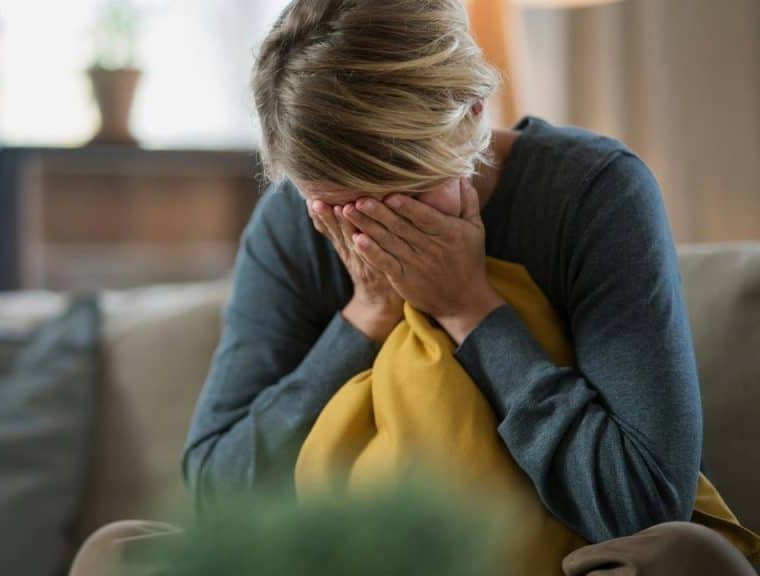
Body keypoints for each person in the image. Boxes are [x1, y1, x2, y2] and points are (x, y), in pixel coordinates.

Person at [72, 0, 757, 574]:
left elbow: (643, 501)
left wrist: (471, 310)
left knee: (685, 556)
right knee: (115, 555)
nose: (371, 229)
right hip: (347, 554)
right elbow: (216, 494)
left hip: (555, 560)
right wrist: (366, 315)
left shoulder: (591, 193)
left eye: (402, 196)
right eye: (340, 207)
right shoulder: (289, 222)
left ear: (473, 115)